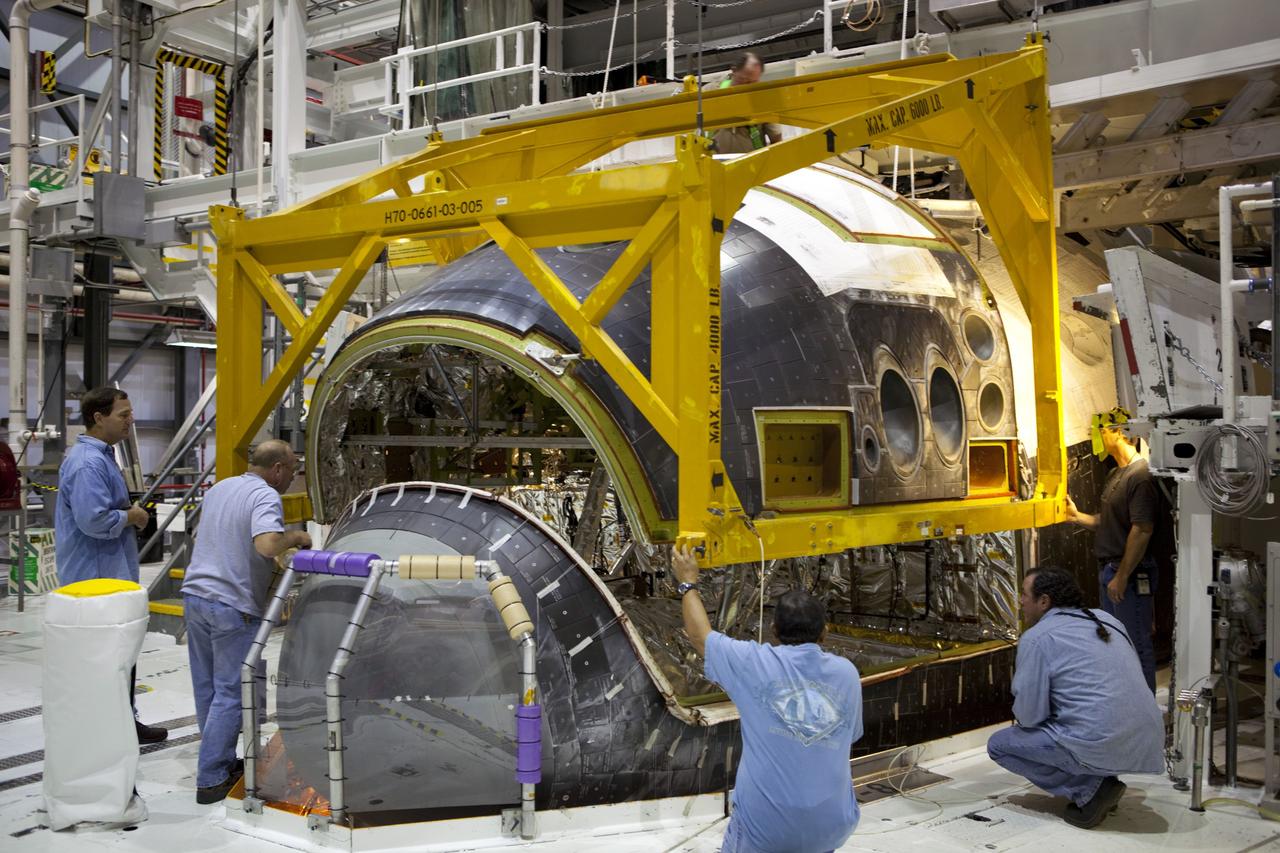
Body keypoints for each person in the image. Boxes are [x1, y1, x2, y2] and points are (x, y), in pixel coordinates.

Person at [673, 545, 861, 853]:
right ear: (825, 632)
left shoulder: (754, 664)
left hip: (766, 831)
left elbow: (699, 636)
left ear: (773, 630)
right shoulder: (847, 674)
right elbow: (847, 737)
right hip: (833, 827)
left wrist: (687, 582)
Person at [181, 440, 312, 804]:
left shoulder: (220, 487)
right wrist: (298, 537)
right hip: (231, 606)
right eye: (292, 471)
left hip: (196, 597)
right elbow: (267, 545)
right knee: (234, 694)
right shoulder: (265, 496)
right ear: (279, 470)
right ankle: (210, 780)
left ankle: (219, 762)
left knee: (208, 690)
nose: (291, 480)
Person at [988, 566, 1163, 830]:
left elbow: (1030, 716)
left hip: (1104, 741)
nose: (1020, 601)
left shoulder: (1037, 638)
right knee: (1085, 719)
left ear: (1044, 601)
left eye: (1024, 594)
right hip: (1148, 738)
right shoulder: (1106, 619)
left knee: (1000, 745)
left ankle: (1090, 789)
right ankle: (1102, 777)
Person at [55, 387, 168, 745]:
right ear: (98, 418)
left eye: (131, 413)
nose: (130, 421)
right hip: (95, 579)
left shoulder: (103, 456)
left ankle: (122, 722)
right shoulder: (88, 463)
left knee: (120, 658)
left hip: (109, 575)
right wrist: (131, 515)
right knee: (104, 660)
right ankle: (107, 733)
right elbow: (93, 520)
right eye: (123, 414)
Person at [1063, 406, 1161, 691]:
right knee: (1118, 644)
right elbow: (1108, 522)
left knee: (1136, 643)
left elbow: (1142, 529)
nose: (1098, 436)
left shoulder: (1140, 475)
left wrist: (1122, 576)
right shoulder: (1116, 474)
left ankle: (1144, 712)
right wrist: (1077, 516)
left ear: (1118, 432)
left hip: (1127, 575)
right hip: (1112, 571)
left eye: (1101, 430)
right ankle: (1126, 707)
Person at [712, 52, 783, 154]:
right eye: (742, 81)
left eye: (752, 83)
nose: (747, 87)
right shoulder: (711, 91)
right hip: (714, 164)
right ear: (733, 71)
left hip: (751, 163)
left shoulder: (763, 100)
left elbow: (776, 139)